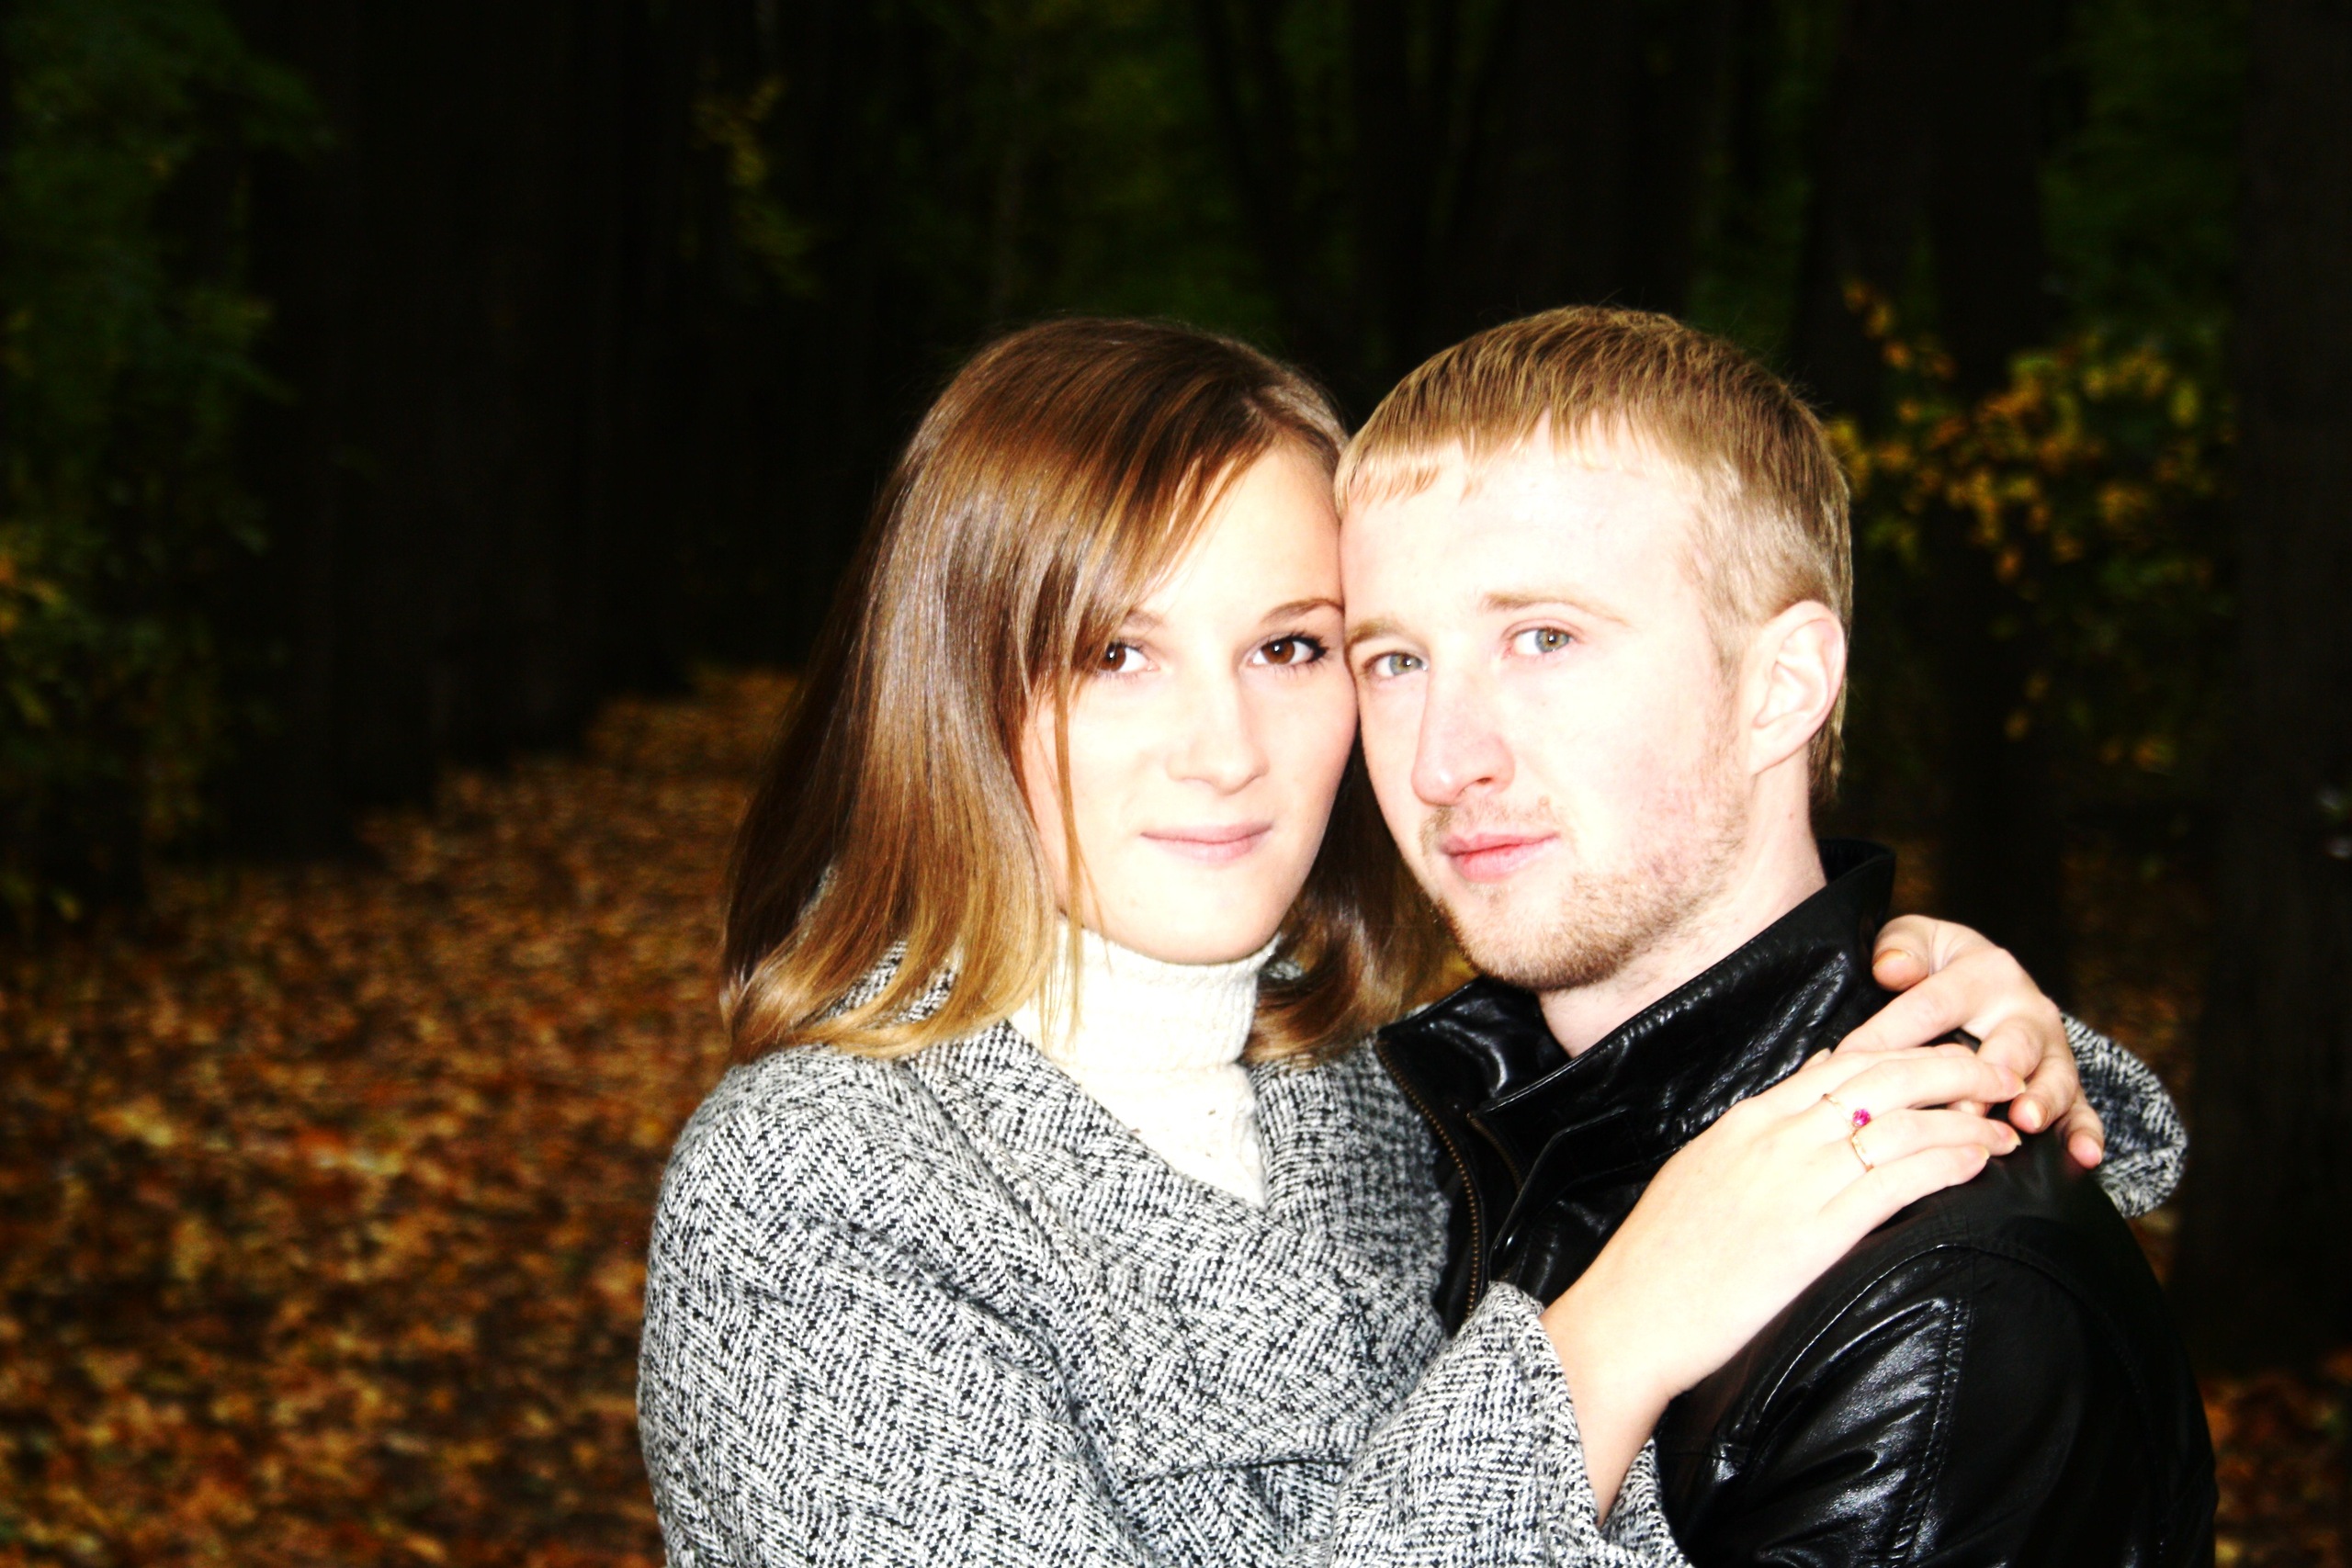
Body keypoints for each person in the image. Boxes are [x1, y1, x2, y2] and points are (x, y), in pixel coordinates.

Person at [635, 318, 2183, 1567]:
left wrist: (1966, 1042)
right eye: (1116, 653)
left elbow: (1657, 1089)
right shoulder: (824, 1187)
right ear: (955, 689)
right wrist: (1604, 1347)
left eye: (1292, 647)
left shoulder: (1369, 1102)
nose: (1224, 751)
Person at [1342, 306, 2213, 1562]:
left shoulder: (1939, 1317)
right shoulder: (1422, 1147)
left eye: (1544, 638)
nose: (1442, 762)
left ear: (1781, 685)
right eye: (1394, 661)